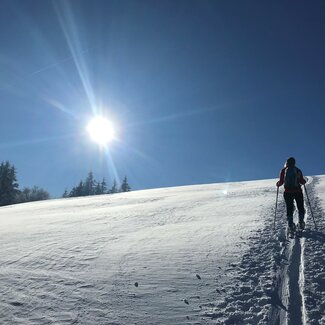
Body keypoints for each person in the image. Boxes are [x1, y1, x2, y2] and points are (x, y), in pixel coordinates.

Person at [276, 157, 306, 232]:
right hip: (298, 191)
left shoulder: (283, 170)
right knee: (300, 207)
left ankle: (290, 225)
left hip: (287, 192)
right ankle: (301, 222)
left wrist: (278, 184)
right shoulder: (298, 170)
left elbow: (281, 182)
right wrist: (303, 181)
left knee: (289, 208)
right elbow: (302, 181)